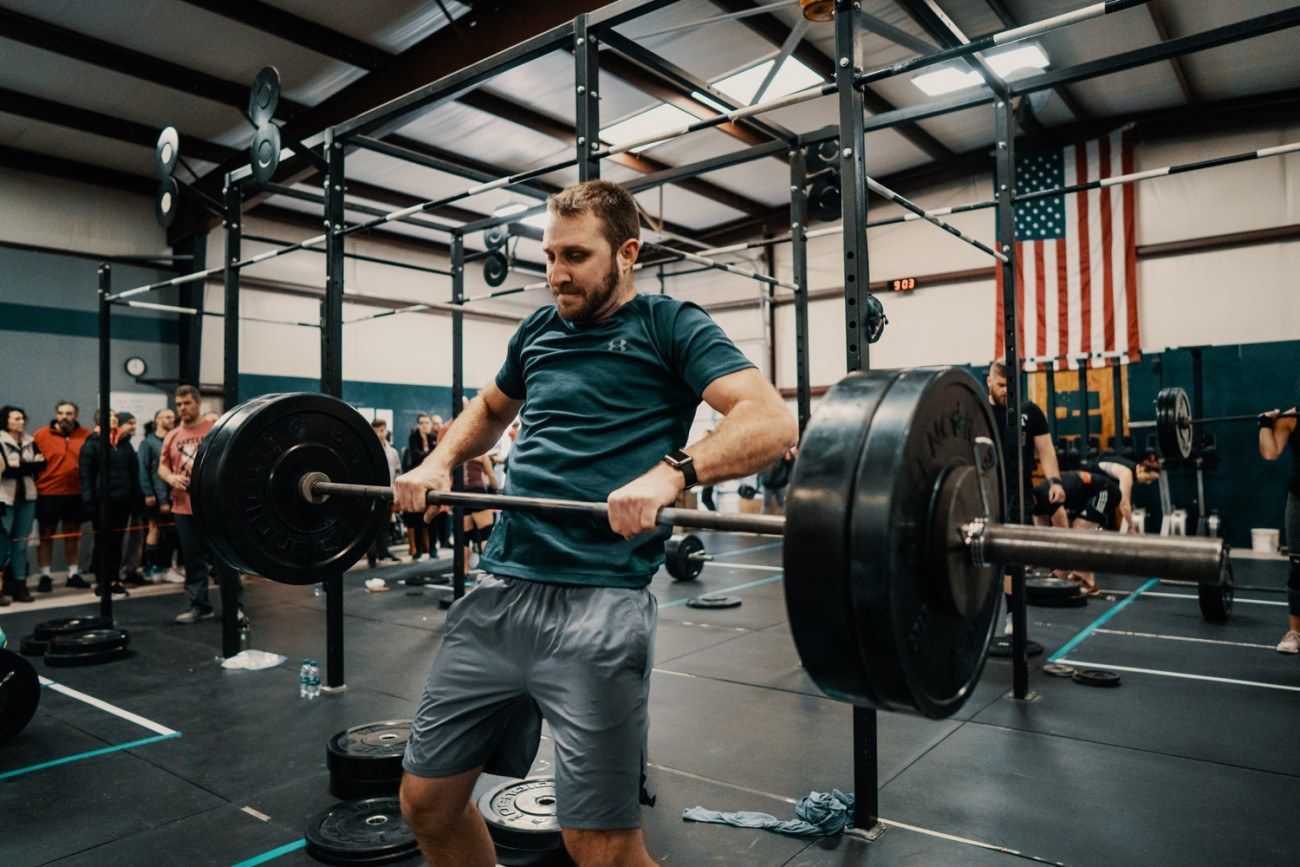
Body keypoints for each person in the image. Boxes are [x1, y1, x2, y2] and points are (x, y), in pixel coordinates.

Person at [393, 179, 796, 865]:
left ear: (628, 252)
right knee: (425, 801)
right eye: (549, 255)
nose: (556, 273)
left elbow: (771, 417)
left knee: (600, 845)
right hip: (498, 592)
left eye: (575, 255)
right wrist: (438, 463)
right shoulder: (538, 331)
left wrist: (673, 471)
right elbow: (490, 410)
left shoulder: (670, 325)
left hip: (599, 603)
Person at [987, 361, 1064, 631]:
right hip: (984, 491)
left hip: (1017, 494)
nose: (1005, 391)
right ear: (989, 381)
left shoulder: (1029, 412)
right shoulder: (978, 411)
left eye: (1010, 386)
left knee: (1013, 556)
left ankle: (1013, 615)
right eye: (1000, 385)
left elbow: (1045, 451)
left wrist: (1054, 481)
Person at [159, 385, 244, 624]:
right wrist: (170, 477)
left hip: (212, 506)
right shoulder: (172, 435)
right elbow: (162, 466)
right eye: (178, 404)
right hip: (182, 506)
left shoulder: (214, 429)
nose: (182, 408)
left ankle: (233, 606)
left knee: (223, 559)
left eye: (187, 403)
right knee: (193, 560)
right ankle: (200, 606)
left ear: (197, 403)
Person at [79, 410, 143, 598]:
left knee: (117, 542)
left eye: (115, 416)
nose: (114, 418)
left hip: (122, 501)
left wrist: (137, 499)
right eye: (109, 415)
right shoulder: (91, 445)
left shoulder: (124, 445)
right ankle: (102, 581)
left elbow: (134, 474)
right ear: (99, 420)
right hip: (101, 503)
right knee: (102, 542)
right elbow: (86, 475)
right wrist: (89, 501)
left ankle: (115, 580)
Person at [1031, 469, 1123, 596]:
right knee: (1074, 530)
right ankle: (1075, 575)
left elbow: (1064, 537)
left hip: (1106, 490)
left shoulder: (1046, 495)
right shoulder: (1036, 503)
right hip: (1084, 496)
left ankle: (1088, 582)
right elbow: (1042, 537)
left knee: (1079, 531)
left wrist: (1059, 569)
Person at [31, 400, 91, 591]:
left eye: (69, 413)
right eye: (61, 413)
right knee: (46, 535)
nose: (64, 417)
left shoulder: (86, 435)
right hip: (47, 493)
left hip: (75, 493)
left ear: (76, 416)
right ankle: (45, 576)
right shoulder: (40, 435)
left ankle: (73, 573)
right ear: (56, 415)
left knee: (73, 535)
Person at [1259, 404, 1299, 653]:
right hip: (1299, 499)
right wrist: (1264, 423)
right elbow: (1270, 453)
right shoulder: (1292, 418)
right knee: (1298, 568)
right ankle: (1295, 633)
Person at [1, 405, 45, 603]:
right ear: (6, 421)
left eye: (22, 418)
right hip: (5, 498)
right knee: (2, 544)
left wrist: (23, 467)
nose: (21, 422)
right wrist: (30, 466)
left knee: (21, 543)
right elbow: (6, 471)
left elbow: (43, 465)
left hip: (27, 498)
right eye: (16, 419)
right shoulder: (0, 440)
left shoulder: (30, 440)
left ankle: (20, 584)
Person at [138, 408, 181, 583]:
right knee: (154, 530)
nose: (171, 419)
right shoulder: (148, 443)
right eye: (166, 416)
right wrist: (148, 493)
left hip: (174, 495)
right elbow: (143, 469)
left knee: (171, 532)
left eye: (172, 417)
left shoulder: (175, 441)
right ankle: (150, 567)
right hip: (155, 496)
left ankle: (166, 567)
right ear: (157, 419)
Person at [1083, 452, 1161, 534]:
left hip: (1092, 480)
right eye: (1149, 479)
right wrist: (1132, 527)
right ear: (1142, 469)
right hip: (1086, 482)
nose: (1148, 483)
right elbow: (1124, 505)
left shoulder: (1129, 466)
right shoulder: (1127, 473)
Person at [367, 419, 403, 568]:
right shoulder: (369, 449)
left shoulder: (393, 452)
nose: (380, 434)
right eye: (377, 431)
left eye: (382, 430)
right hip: (372, 494)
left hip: (388, 493)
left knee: (385, 524)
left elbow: (398, 472)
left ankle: (383, 552)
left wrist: (397, 491)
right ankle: (371, 556)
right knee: (371, 525)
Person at [403, 414, 436, 561]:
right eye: (421, 423)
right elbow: (416, 455)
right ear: (418, 424)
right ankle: (418, 550)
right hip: (417, 479)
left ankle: (433, 549)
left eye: (426, 422)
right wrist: (429, 455)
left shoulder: (433, 437)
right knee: (416, 516)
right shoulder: (413, 437)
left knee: (432, 517)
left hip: (430, 480)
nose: (424, 425)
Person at [458, 453, 497, 570]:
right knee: (486, 534)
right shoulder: (481, 454)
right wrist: (495, 487)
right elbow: (492, 477)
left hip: (461, 495)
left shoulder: (459, 454)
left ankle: (464, 570)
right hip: (477, 493)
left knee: (464, 538)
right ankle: (489, 570)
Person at [759, 446, 797, 515]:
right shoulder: (765, 452)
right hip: (768, 483)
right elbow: (760, 467)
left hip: (780, 483)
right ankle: (762, 524)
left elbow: (791, 466)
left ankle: (781, 524)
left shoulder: (785, 452)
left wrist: (789, 458)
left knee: (781, 505)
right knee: (766, 506)